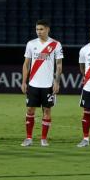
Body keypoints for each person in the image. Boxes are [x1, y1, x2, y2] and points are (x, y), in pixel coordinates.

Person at [21, 19, 63, 147]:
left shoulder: (56, 44)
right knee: (30, 110)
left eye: (41, 29)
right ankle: (28, 138)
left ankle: (43, 138)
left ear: (47, 29)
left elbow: (59, 64)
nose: (38, 32)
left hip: (48, 85)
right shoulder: (31, 44)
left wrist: (57, 82)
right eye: (37, 29)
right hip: (33, 84)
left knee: (47, 111)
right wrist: (24, 81)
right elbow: (26, 64)